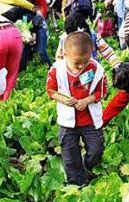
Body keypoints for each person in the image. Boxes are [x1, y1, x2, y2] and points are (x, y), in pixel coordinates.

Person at [46, 32, 108, 186]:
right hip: (67, 122)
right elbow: (51, 90)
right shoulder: (57, 70)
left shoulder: (96, 69)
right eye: (77, 63)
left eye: (85, 61)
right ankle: (77, 183)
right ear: (65, 54)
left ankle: (87, 166)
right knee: (69, 154)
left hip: (90, 120)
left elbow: (102, 90)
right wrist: (65, 100)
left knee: (96, 150)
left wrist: (87, 100)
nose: (81, 66)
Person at [55, 13, 120, 69]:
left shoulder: (93, 36)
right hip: (73, 76)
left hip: (93, 73)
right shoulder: (64, 40)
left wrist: (118, 65)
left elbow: (108, 52)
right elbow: (59, 58)